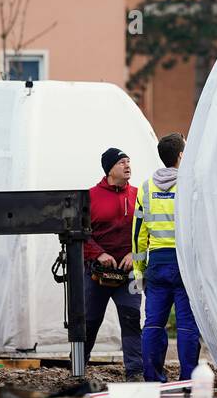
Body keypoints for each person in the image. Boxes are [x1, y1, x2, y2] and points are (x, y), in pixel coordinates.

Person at [133, 132, 200, 383]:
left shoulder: (146, 188)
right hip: (183, 265)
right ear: (181, 155)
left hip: (157, 264)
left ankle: (153, 378)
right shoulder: (189, 185)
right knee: (186, 325)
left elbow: (138, 234)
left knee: (153, 324)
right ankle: (188, 380)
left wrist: (139, 269)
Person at [84, 147, 143, 379]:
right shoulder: (90, 197)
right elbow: (81, 234)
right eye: (122, 163)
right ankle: (78, 367)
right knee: (89, 320)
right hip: (96, 272)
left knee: (131, 318)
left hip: (129, 272)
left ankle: (135, 371)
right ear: (109, 170)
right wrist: (98, 254)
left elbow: (146, 234)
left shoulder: (139, 196)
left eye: (129, 161)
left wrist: (133, 255)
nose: (127, 166)